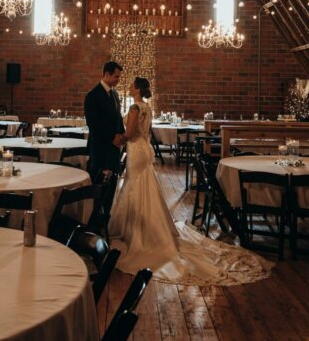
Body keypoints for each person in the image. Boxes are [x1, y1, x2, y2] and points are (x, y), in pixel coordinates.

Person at [109, 77, 274, 286]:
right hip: (145, 149)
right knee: (144, 186)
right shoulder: (147, 107)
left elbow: (131, 133)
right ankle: (148, 227)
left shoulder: (134, 107)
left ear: (138, 89)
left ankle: (139, 233)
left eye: (132, 85)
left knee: (135, 186)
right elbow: (146, 133)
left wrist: (119, 138)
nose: (129, 87)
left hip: (136, 150)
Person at [84, 61, 125, 179]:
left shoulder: (115, 94)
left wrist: (122, 135)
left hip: (114, 147)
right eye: (116, 76)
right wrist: (112, 137)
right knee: (98, 182)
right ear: (106, 74)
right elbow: (93, 123)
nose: (118, 80)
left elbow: (118, 117)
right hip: (100, 147)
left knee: (111, 183)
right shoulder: (93, 95)